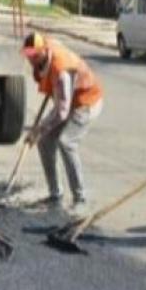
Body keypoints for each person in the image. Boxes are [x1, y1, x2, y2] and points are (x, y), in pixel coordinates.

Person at [21, 32, 103, 212]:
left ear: (42, 52)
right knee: (44, 141)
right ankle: (55, 194)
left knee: (66, 142)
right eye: (28, 56)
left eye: (33, 56)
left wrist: (39, 129)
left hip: (87, 102)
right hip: (69, 100)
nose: (30, 60)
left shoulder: (61, 71)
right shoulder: (45, 50)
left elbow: (61, 113)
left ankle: (80, 198)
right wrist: (41, 134)